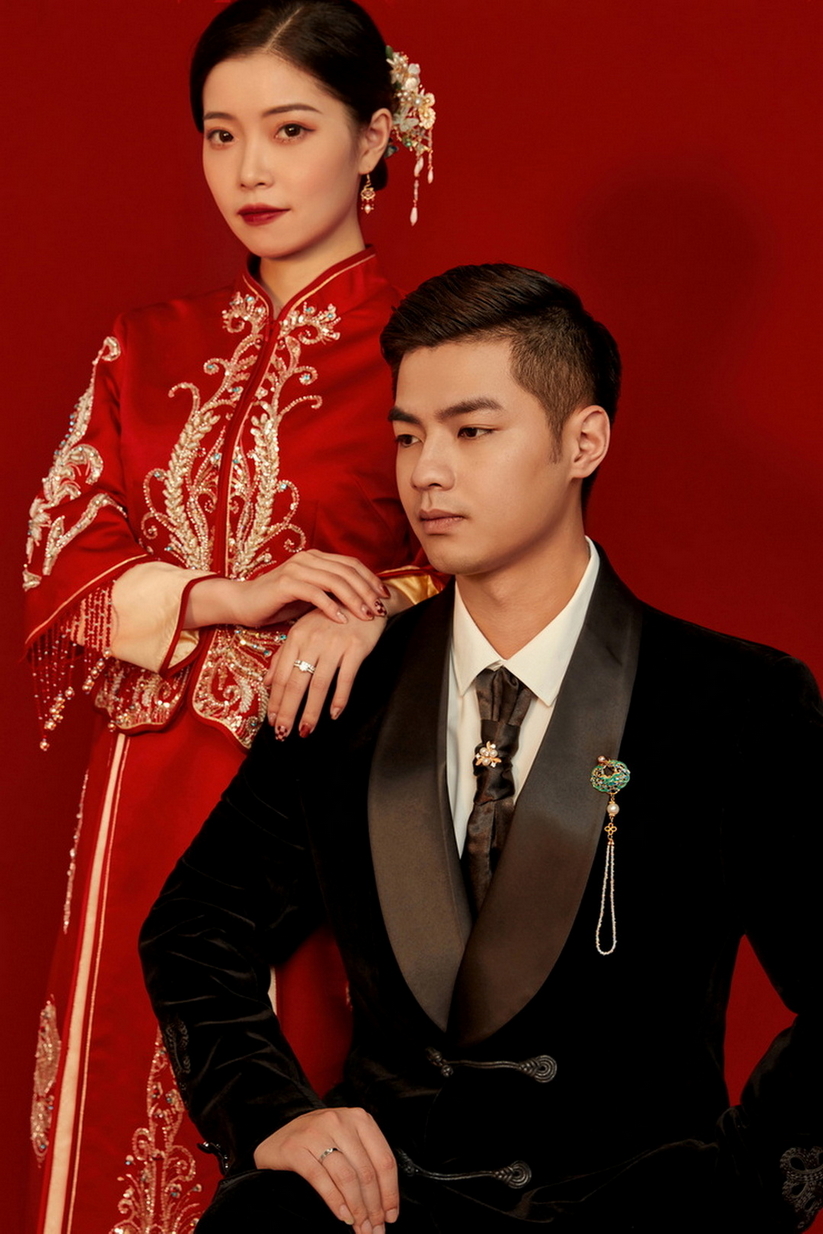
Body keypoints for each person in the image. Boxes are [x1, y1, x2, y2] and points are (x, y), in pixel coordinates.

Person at [141, 263, 823, 1234]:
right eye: (407, 435)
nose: (426, 471)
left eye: (471, 431)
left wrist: (745, 1191)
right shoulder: (345, 687)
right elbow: (193, 927)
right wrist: (271, 1115)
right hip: (378, 1210)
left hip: (630, 1207)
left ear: (582, 441)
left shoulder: (733, 700)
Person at [22, 2, 436, 1230]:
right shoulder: (142, 346)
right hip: (137, 788)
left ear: (373, 139)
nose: (250, 169)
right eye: (220, 133)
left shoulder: (429, 353)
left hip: (311, 775)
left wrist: (381, 607)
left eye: (290, 129)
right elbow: (59, 537)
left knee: (294, 1102)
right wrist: (224, 596)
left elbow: (500, 562)